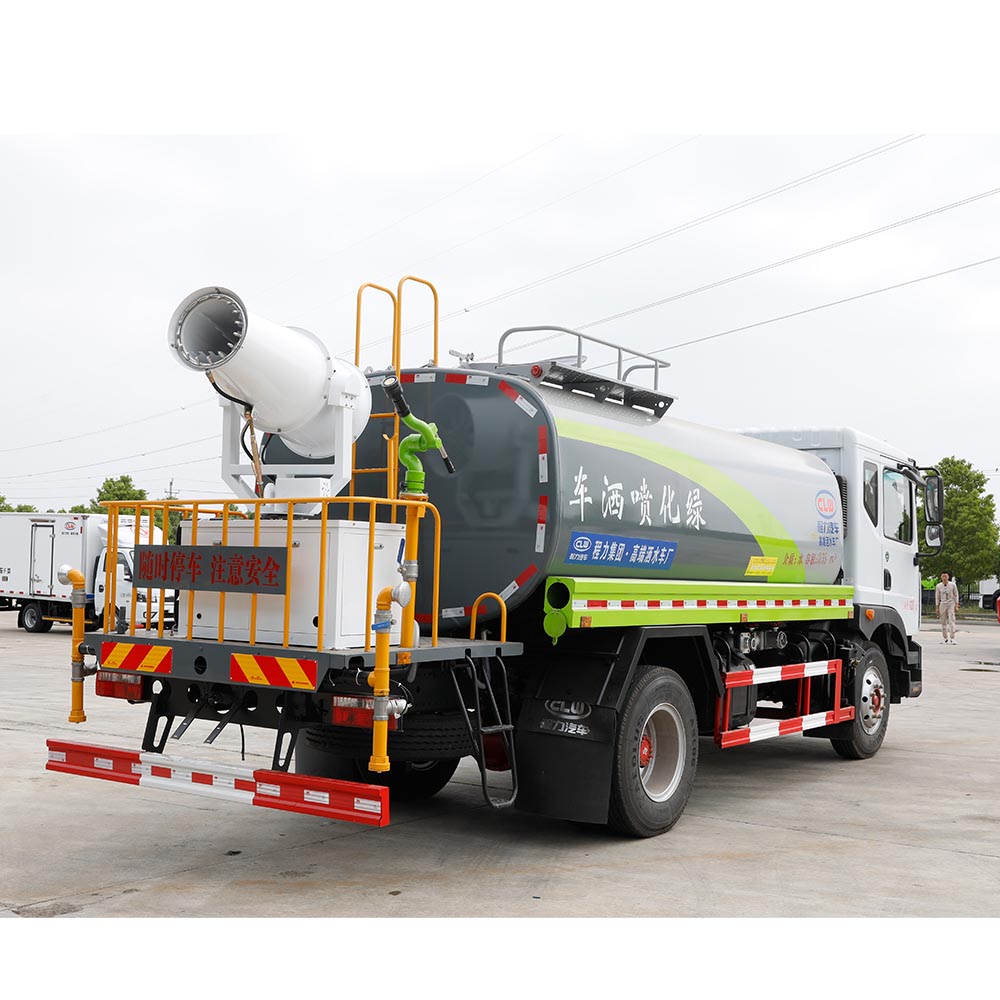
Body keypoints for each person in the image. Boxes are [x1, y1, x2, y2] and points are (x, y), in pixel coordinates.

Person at [935, 572, 960, 644]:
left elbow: (956, 594)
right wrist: (937, 607)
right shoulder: (938, 586)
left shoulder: (952, 585)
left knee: (951, 620)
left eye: (945, 576)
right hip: (943, 603)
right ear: (941, 577)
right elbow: (937, 597)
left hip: (951, 603)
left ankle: (952, 638)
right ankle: (945, 638)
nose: (944, 578)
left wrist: (956, 605)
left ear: (948, 577)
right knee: (943, 622)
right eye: (943, 576)